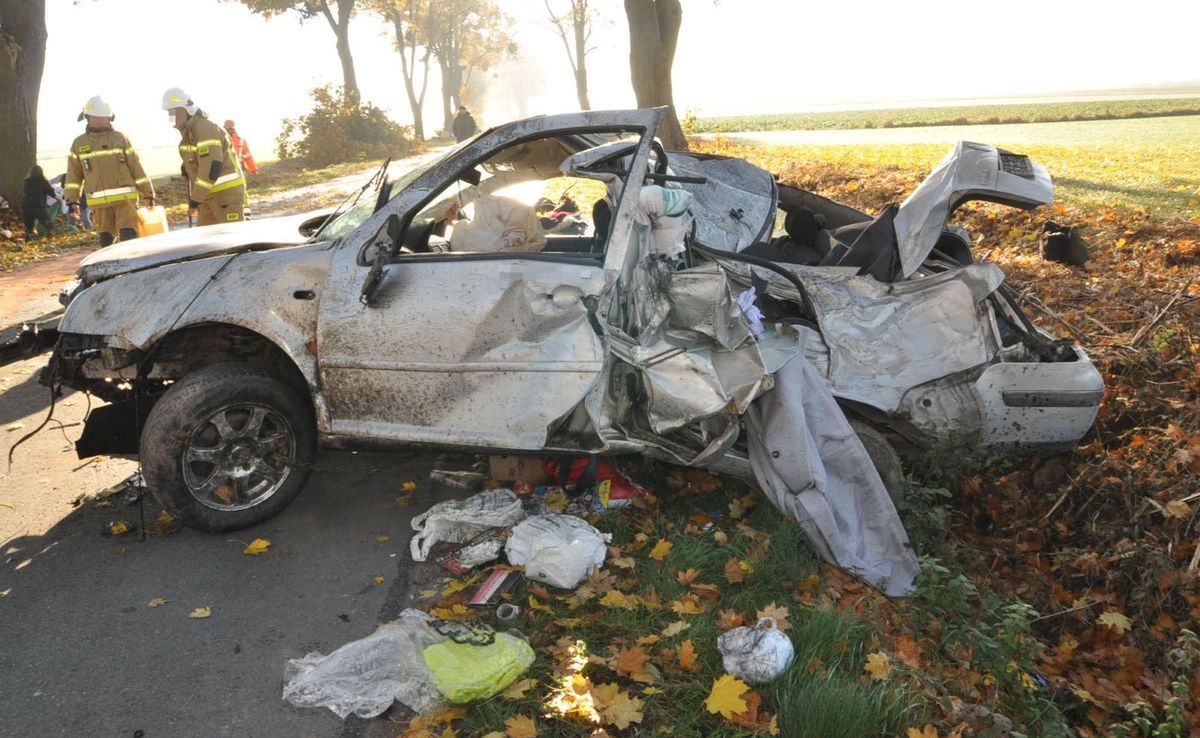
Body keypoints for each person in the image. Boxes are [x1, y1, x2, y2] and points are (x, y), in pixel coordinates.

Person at [64, 96, 155, 246]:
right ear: (87, 118)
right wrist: (72, 200)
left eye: (103, 117)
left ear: (109, 118)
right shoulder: (79, 144)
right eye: (96, 117)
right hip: (100, 204)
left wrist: (148, 193)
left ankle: (133, 266)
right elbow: (74, 175)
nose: (100, 120)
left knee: (129, 237)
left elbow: (136, 167)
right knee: (106, 241)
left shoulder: (121, 139)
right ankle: (112, 268)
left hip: (125, 201)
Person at [162, 88, 246, 226]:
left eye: (173, 112)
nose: (171, 117)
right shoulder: (190, 133)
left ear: (185, 109)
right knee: (206, 242)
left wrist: (195, 200)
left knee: (232, 240)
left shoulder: (205, 129)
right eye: (169, 113)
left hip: (225, 196)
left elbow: (211, 167)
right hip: (208, 196)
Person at [22, 166, 55, 241]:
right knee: (47, 221)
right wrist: (59, 199)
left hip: (26, 205)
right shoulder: (43, 181)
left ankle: (28, 240)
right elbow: (51, 192)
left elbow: (25, 191)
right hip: (38, 205)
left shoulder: (27, 181)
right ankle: (51, 237)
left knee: (28, 225)